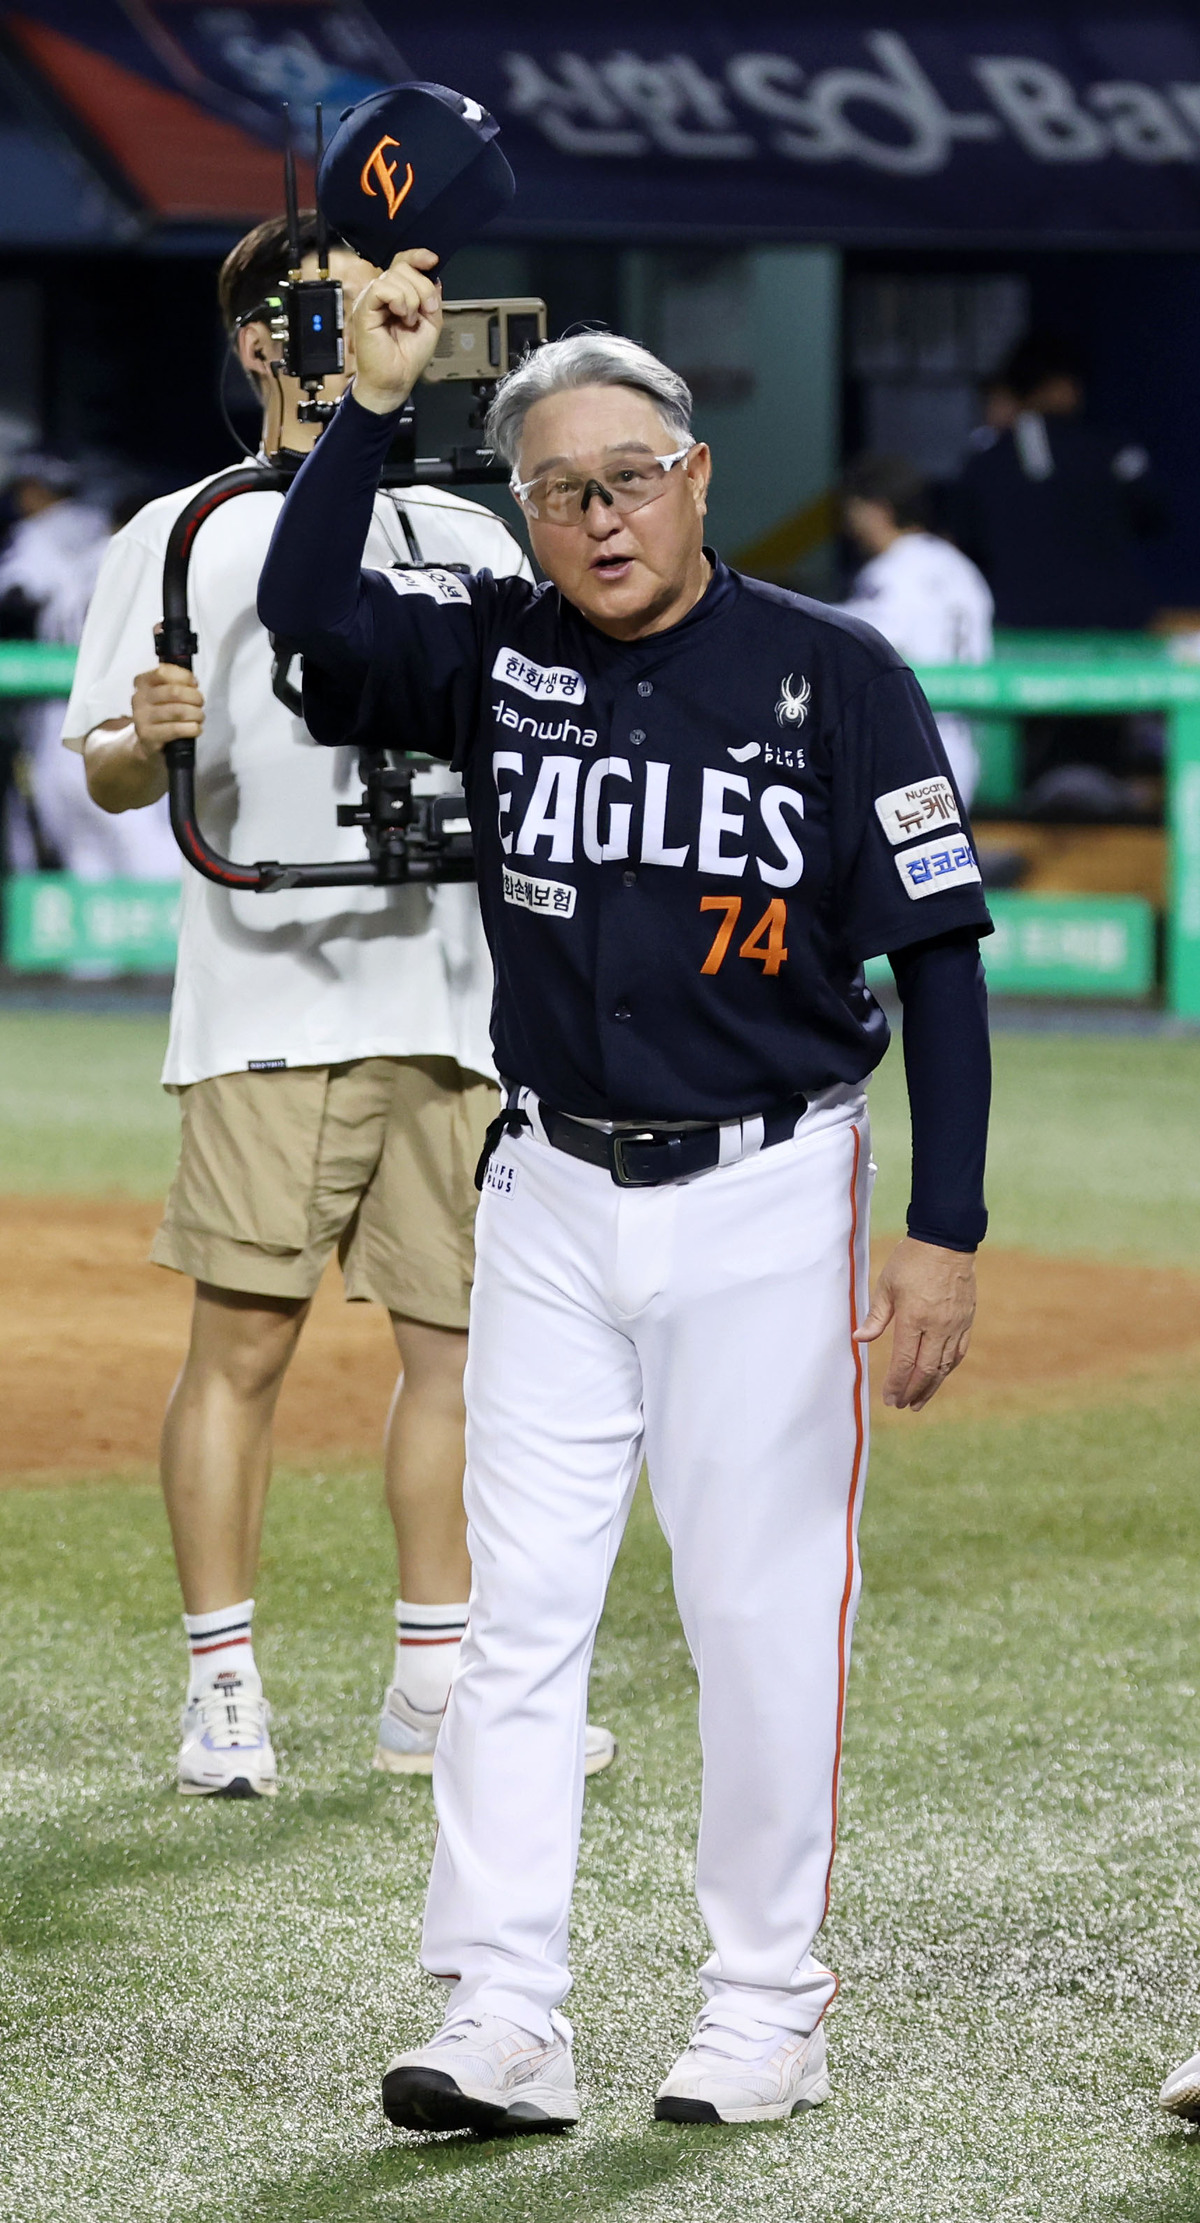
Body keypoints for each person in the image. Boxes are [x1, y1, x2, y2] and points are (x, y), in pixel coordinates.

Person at [260, 251, 993, 2132]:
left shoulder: (838, 673)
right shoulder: (495, 651)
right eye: (560, 490)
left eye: (631, 478)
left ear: (696, 475)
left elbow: (939, 957)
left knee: (759, 1614)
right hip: (549, 1192)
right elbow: (307, 609)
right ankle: (506, 2007)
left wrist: (948, 1228)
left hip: (770, 1191)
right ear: (526, 511)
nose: (600, 517)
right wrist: (369, 409)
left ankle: (764, 2004)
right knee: (517, 1617)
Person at [62, 213, 614, 1801]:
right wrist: (141, 732)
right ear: (260, 342)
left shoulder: (468, 529)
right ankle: (222, 1682)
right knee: (243, 1344)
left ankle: (435, 1681)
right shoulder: (182, 528)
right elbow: (110, 771)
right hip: (270, 995)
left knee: (465, 1354)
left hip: (459, 998)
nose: (381, 324)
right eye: (334, 307)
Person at [950, 330, 1166, 632]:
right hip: (1111, 626)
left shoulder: (985, 459)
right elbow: (1153, 515)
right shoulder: (1111, 450)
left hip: (1017, 627)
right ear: (1061, 385)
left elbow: (963, 541)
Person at [837, 453, 992, 807]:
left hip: (906, 752)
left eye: (855, 510)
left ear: (878, 510)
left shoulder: (893, 572)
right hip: (960, 750)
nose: (850, 524)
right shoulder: (961, 567)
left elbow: (856, 644)